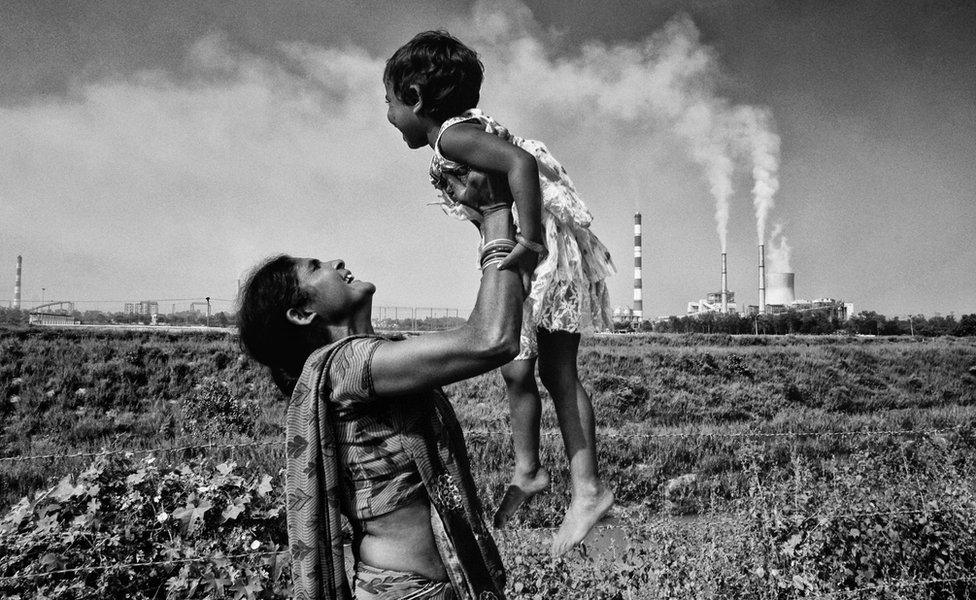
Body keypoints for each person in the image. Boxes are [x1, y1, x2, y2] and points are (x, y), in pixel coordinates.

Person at [383, 30, 615, 556]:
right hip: (535, 237)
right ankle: (530, 471)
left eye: (390, 103)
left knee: (553, 368)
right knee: (520, 364)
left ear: (416, 98)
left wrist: (529, 241)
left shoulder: (449, 137)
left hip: (541, 240)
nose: (389, 117)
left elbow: (520, 166)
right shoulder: (461, 133)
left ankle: (587, 489)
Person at [237, 187, 523, 599]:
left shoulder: (374, 362)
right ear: (302, 314)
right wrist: (497, 211)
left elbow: (491, 332)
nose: (337, 262)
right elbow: (491, 340)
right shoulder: (347, 365)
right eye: (316, 267)